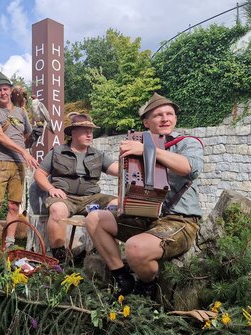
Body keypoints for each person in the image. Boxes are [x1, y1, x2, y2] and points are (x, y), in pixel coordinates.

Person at [85, 92, 204, 298]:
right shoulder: (136, 143)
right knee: (94, 218)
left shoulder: (188, 143)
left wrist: (148, 150)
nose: (165, 118)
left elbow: (190, 168)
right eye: (158, 115)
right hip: (145, 217)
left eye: (170, 114)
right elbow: (128, 179)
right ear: (146, 122)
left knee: (135, 248)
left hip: (180, 220)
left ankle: (148, 284)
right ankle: (122, 277)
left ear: (175, 119)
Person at [33, 113, 119, 263]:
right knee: (57, 210)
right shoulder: (57, 152)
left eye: (91, 131)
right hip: (66, 197)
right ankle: (60, 258)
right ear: (73, 133)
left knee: (117, 205)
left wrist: (130, 159)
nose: (89, 134)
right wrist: (51, 189)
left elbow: (118, 170)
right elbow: (39, 174)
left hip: (92, 198)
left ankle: (106, 252)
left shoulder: (98, 155)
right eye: (85, 130)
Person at [0, 71, 39, 251]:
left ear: (10, 90)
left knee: (15, 205)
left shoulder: (21, 112)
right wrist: (24, 152)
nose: (3, 93)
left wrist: (36, 135)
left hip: (18, 164)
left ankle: (10, 244)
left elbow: (26, 138)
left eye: (5, 89)